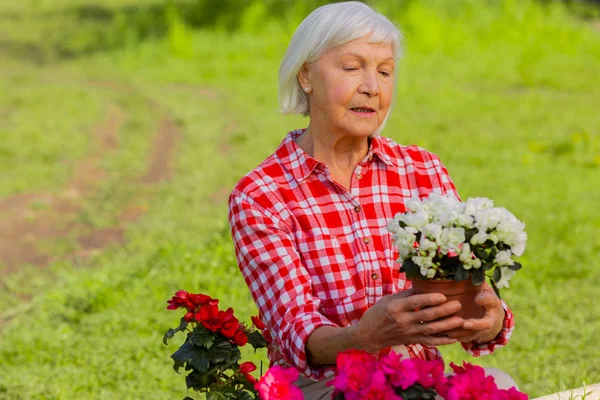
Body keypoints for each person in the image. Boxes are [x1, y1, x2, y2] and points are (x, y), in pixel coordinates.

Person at [228, 2, 516, 398]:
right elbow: (299, 334)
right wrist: (364, 336)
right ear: (306, 75)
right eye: (352, 68)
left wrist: (492, 317)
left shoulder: (421, 168)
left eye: (384, 71)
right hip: (322, 385)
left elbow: (467, 288)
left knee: (502, 386)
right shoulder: (262, 195)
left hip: (416, 380)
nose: (372, 87)